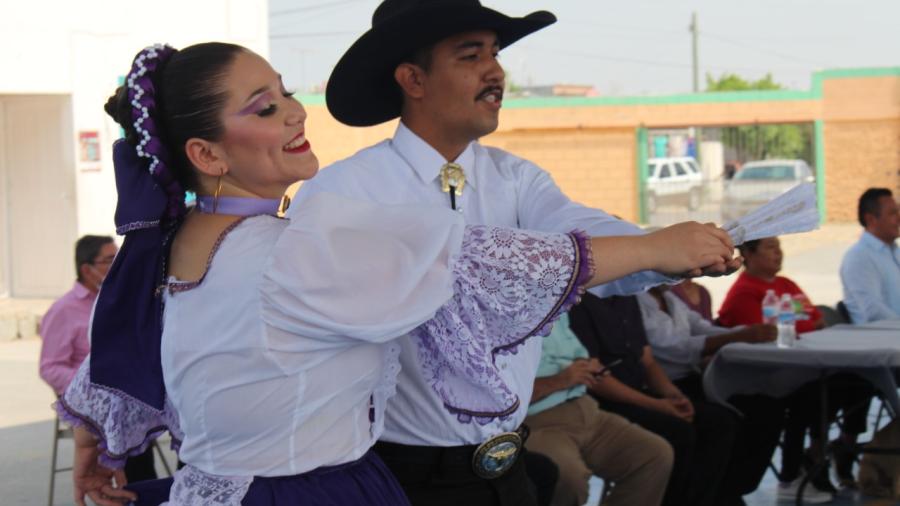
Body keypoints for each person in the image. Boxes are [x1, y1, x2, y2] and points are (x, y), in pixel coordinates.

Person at [57, 42, 736, 506]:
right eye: (263, 108)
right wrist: (655, 247)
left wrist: (93, 441)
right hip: (310, 491)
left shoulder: (163, 256)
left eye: (285, 94)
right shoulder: (286, 252)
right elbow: (473, 265)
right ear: (205, 152)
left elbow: (128, 355)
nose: (294, 111)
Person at [295, 1, 740, 504]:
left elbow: (582, 231)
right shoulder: (346, 192)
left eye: (495, 53)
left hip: (509, 468)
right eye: (470, 56)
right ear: (413, 79)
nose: (495, 71)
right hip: (401, 474)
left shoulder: (516, 179)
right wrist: (652, 248)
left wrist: (665, 248)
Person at [720, 236, 873, 493]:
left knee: (857, 381)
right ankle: (797, 468)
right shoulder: (745, 292)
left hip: (800, 366)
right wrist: (798, 324)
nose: (778, 253)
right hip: (765, 376)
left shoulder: (786, 284)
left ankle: (821, 451)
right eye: (770, 248)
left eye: (779, 247)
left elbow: (814, 317)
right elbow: (768, 333)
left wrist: (796, 323)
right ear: (748, 254)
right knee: (818, 393)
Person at [568, 292, 738, 506]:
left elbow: (647, 360)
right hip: (603, 400)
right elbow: (595, 377)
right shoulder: (579, 302)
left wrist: (672, 394)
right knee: (678, 432)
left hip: (638, 390)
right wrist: (657, 404)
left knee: (719, 422)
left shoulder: (626, 298)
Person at [638, 285, 782, 506]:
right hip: (664, 383)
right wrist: (737, 336)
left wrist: (748, 333)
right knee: (720, 422)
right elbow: (671, 347)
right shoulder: (637, 301)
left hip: (693, 376)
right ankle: (705, 496)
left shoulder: (670, 299)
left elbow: (702, 328)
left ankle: (731, 487)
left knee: (766, 406)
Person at [39, 235, 158, 484]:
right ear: (86, 269)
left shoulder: (117, 299)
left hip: (129, 392)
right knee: (127, 432)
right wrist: (94, 387)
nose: (117, 264)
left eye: (118, 257)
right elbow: (50, 366)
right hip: (92, 402)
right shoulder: (63, 310)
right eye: (109, 260)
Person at [525, 314, 674, 506]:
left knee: (654, 454)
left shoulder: (553, 307)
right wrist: (560, 380)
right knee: (568, 478)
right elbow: (498, 398)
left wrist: (587, 367)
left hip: (585, 407)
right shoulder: (499, 319)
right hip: (538, 421)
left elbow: (578, 354)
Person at [840, 187, 900, 324]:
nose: (899, 218)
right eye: (893, 213)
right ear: (871, 219)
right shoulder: (858, 258)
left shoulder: (895, 252)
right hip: (881, 338)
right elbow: (873, 311)